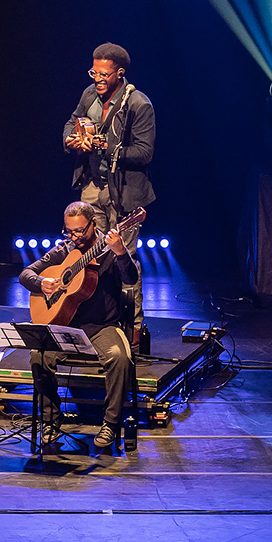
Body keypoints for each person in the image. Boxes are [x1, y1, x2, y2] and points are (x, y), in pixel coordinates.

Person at [17, 201, 141, 452]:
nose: (74, 237)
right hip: (66, 327)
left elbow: (131, 278)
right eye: (69, 231)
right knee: (37, 356)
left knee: (120, 357)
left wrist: (120, 252)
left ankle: (110, 423)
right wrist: (42, 283)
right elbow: (25, 274)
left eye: (79, 231)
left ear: (94, 224)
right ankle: (50, 420)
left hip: (102, 326)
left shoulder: (108, 249)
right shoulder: (63, 250)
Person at [62, 42, 154, 346]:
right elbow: (70, 122)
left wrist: (107, 147)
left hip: (124, 193)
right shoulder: (89, 95)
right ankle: (89, 319)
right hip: (92, 185)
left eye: (103, 74)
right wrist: (73, 139)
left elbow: (144, 153)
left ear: (120, 73)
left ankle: (132, 326)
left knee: (122, 259)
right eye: (93, 72)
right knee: (85, 255)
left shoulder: (138, 104)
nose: (97, 79)